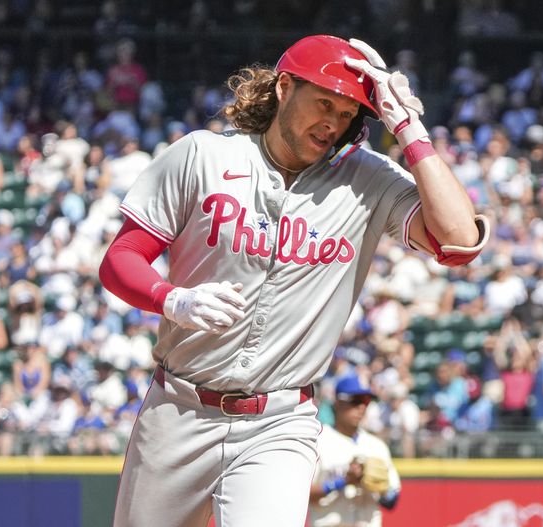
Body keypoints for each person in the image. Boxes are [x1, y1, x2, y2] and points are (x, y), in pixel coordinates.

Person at [99, 35, 487, 527]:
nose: (333, 123)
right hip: (178, 409)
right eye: (324, 102)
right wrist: (171, 298)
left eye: (348, 114)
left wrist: (410, 130)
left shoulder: (367, 180)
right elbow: (122, 257)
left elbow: (458, 242)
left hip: (279, 420)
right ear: (284, 87)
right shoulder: (202, 156)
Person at [309, 375, 400, 527]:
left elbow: (392, 501)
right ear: (338, 402)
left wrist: (381, 490)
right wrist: (343, 481)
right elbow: (303, 495)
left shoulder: (377, 446)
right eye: (356, 401)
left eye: (366, 402)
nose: (362, 407)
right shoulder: (318, 441)